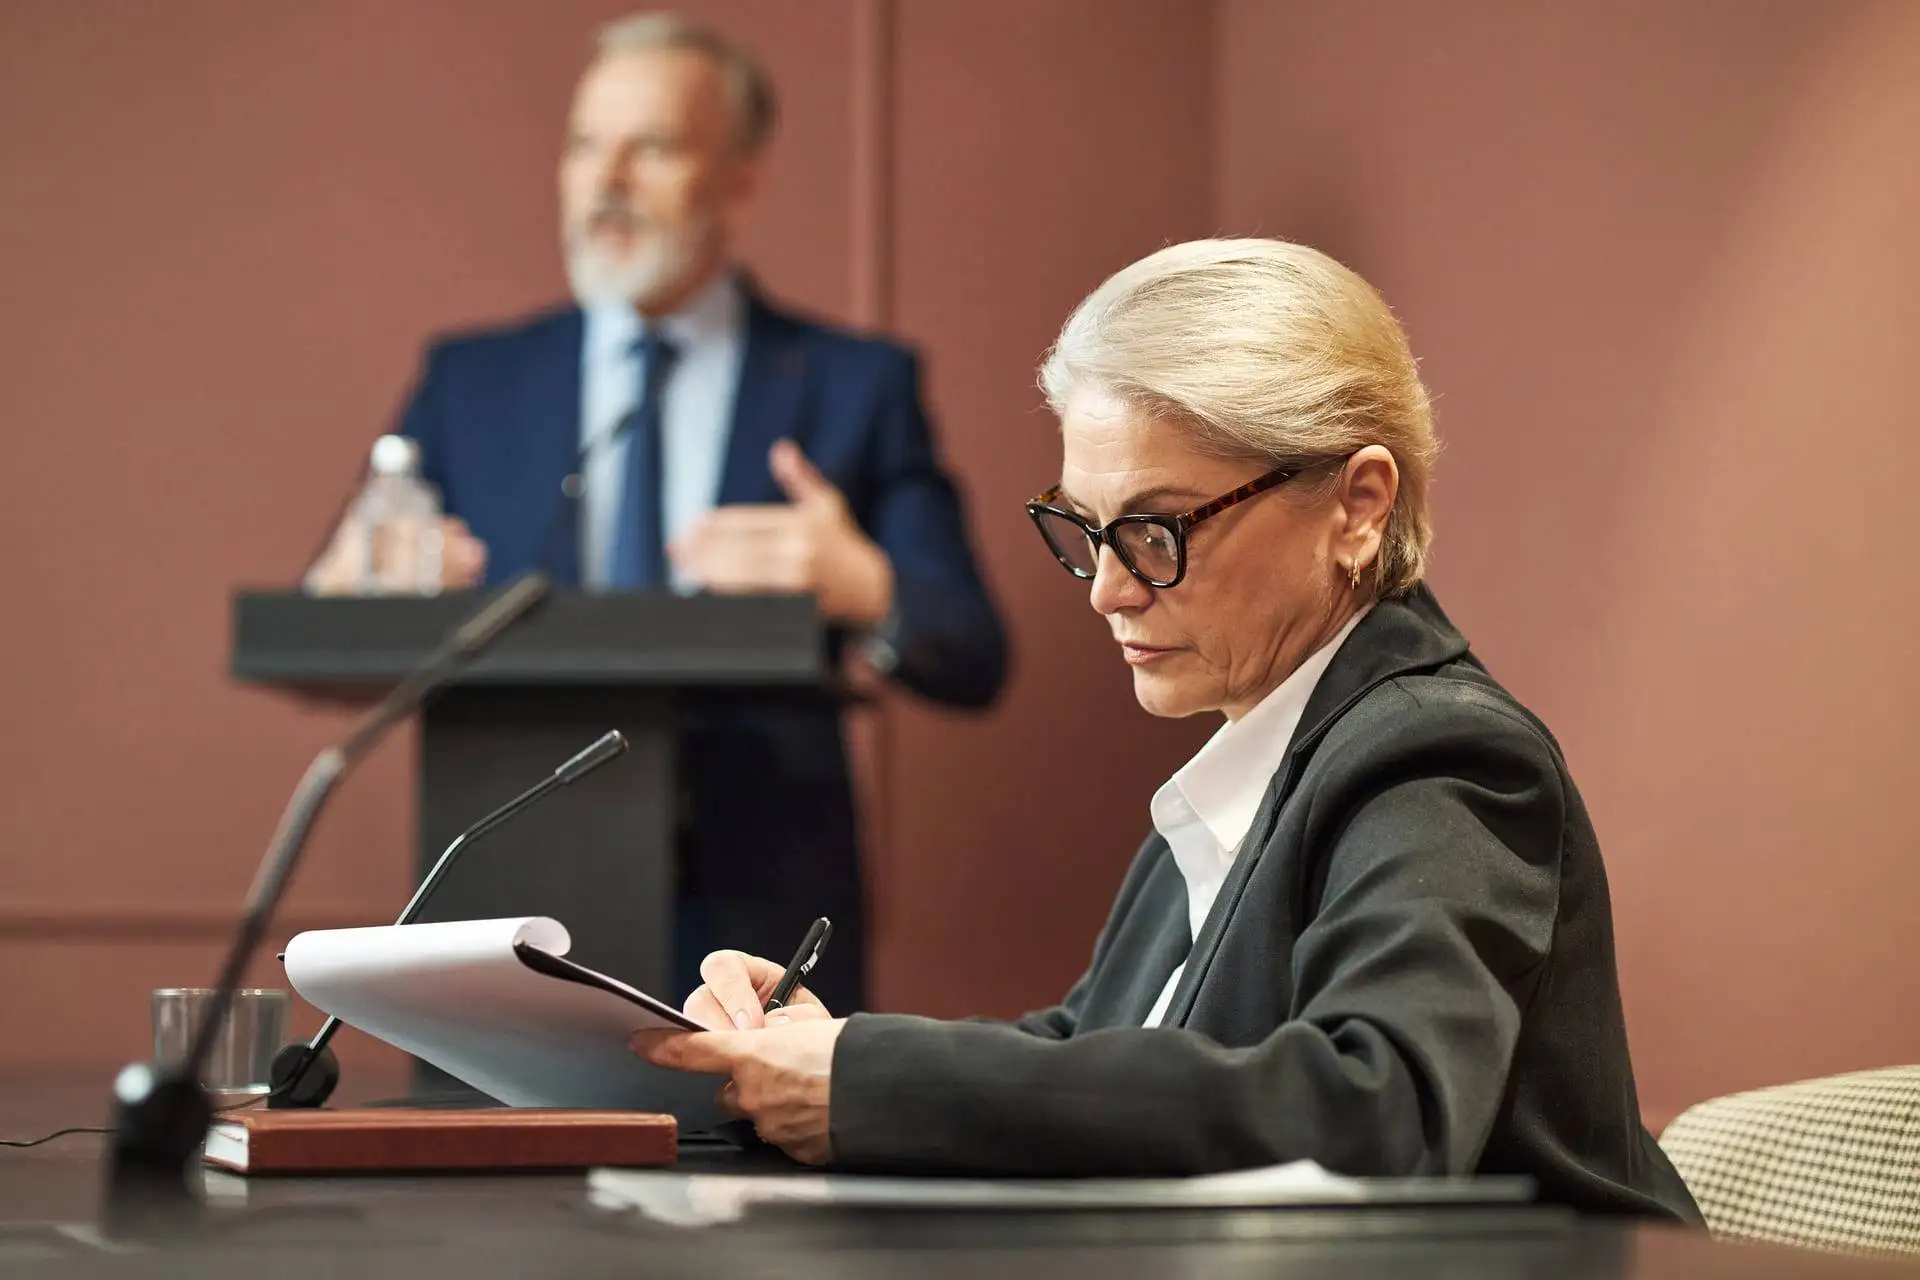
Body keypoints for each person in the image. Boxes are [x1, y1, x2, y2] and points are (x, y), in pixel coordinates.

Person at [635, 238, 1703, 1222]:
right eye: (1087, 531)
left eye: (1154, 530)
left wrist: (868, 1082)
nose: (1106, 591)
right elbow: (1105, 1051)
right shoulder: (1260, 750)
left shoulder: (1441, 755)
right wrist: (828, 1049)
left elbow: (1378, 1108)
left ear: (1358, 505)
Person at [307, 12, 1006, 1013]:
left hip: (760, 905)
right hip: (507, 882)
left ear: (740, 181)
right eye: (586, 145)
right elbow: (329, 609)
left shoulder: (855, 385)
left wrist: (864, 586)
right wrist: (354, 597)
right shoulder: (471, 383)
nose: (608, 179)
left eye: (653, 147)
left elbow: (973, 651)